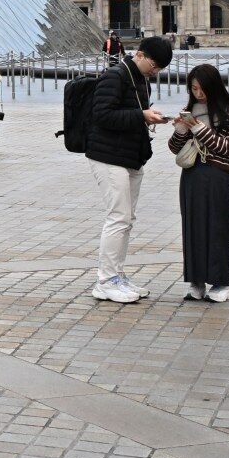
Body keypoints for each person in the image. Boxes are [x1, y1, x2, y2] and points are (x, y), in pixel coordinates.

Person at [85, 35, 174, 304]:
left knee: (127, 219)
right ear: (142, 55)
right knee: (118, 217)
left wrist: (148, 114)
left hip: (130, 155)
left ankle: (117, 275)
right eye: (155, 66)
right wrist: (141, 115)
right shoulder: (115, 75)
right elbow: (101, 115)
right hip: (108, 155)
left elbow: (132, 110)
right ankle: (105, 281)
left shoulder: (139, 79)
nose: (156, 72)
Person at [169, 63, 229, 303]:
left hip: (217, 175)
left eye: (202, 89)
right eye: (193, 89)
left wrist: (201, 130)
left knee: (218, 227)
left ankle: (222, 282)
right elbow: (174, 149)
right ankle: (196, 281)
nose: (198, 94)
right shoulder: (189, 109)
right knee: (193, 227)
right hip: (192, 174)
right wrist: (181, 130)